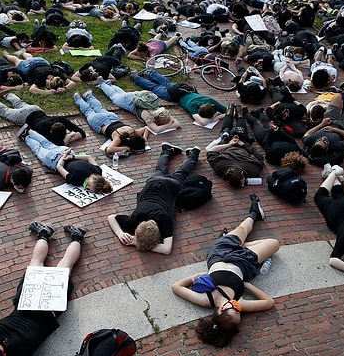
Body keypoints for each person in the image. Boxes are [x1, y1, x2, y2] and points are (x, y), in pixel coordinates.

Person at [171, 201, 279, 347]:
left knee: (242, 229)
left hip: (218, 254)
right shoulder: (240, 302)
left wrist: (194, 277)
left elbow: (176, 287)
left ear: (221, 310)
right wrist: (247, 286)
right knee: (275, 243)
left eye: (234, 310)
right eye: (239, 312)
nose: (237, 308)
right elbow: (269, 302)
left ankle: (253, 214)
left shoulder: (206, 299)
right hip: (245, 262)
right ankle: (245, 236)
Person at [0, 222, 86, 356]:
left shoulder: (20, 349)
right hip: (26, 301)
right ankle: (44, 233)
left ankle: (77, 236)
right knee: (37, 262)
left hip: (49, 309)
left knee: (65, 266)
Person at [106, 143, 201, 255]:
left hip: (170, 186)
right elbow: (111, 217)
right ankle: (167, 150)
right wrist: (123, 235)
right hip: (153, 183)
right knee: (160, 169)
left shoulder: (165, 221)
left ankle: (193, 153)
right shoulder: (134, 220)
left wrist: (127, 237)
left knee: (181, 172)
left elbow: (166, 249)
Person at [18, 129, 112, 194]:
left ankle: (30, 132)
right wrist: (65, 157)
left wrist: (71, 156)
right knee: (38, 149)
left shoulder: (98, 171)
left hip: (66, 152)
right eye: (91, 188)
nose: (89, 189)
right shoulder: (77, 180)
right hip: (55, 160)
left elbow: (88, 157)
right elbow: (59, 167)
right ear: (94, 183)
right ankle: (26, 137)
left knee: (46, 143)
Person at [0, 91, 85, 146]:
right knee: (5, 111)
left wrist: (70, 134)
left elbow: (82, 133)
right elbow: (60, 143)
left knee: (19, 103)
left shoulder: (60, 119)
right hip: (24, 117)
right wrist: (71, 135)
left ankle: (8, 94)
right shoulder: (43, 130)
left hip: (36, 109)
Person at [74, 90, 148, 156]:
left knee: (99, 108)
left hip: (112, 118)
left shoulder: (133, 131)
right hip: (100, 122)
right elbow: (110, 149)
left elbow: (145, 129)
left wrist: (144, 138)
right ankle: (77, 98)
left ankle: (89, 96)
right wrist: (126, 148)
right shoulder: (119, 137)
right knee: (88, 111)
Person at [96, 78, 181, 134]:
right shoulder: (149, 117)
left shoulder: (162, 112)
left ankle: (109, 84)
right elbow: (156, 130)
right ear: (158, 120)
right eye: (163, 123)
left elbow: (178, 124)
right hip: (129, 102)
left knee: (122, 94)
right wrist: (169, 123)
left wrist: (168, 123)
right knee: (114, 97)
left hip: (137, 95)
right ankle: (101, 84)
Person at [3, 53, 75, 95]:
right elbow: (32, 89)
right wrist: (47, 92)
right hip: (29, 66)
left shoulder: (57, 75)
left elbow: (72, 83)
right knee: (17, 61)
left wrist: (64, 88)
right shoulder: (41, 78)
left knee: (29, 57)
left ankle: (23, 52)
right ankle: (6, 55)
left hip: (42, 61)